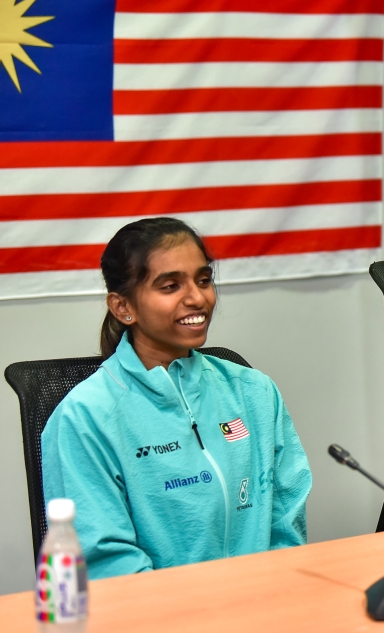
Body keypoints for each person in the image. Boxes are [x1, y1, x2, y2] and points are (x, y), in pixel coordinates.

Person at [41, 217, 312, 579]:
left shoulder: (255, 392)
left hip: (267, 599)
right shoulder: (84, 418)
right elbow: (108, 563)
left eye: (203, 280)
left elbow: (286, 524)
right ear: (123, 307)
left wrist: (273, 593)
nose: (197, 298)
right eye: (170, 286)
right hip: (155, 612)